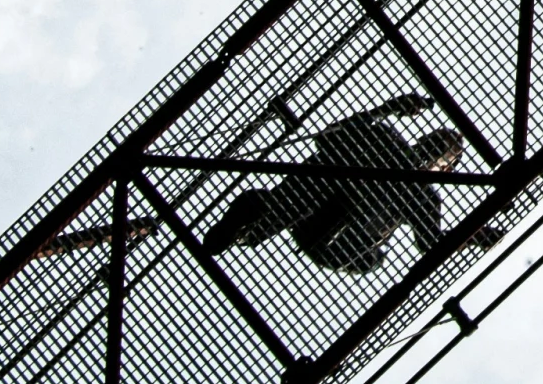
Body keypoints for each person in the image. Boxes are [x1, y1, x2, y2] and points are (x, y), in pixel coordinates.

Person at [203, 95, 501, 275]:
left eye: (440, 147)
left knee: (369, 257)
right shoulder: (405, 167)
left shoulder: (421, 195)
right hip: (324, 204)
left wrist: (387, 109)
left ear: (446, 169)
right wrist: (387, 109)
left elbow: (430, 243)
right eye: (436, 141)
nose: (431, 147)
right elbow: (331, 136)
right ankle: (248, 227)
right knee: (304, 209)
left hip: (332, 224)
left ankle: (250, 224)